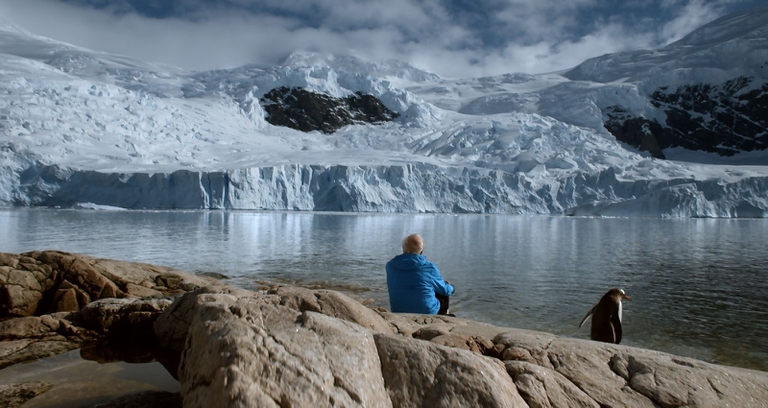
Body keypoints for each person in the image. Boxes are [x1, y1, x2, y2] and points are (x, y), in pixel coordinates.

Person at [386, 233, 455, 315]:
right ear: (421, 251)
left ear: (403, 248)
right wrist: (452, 287)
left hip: (398, 310)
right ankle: (445, 314)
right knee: (443, 286)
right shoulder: (429, 267)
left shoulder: (390, 265)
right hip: (427, 312)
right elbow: (444, 291)